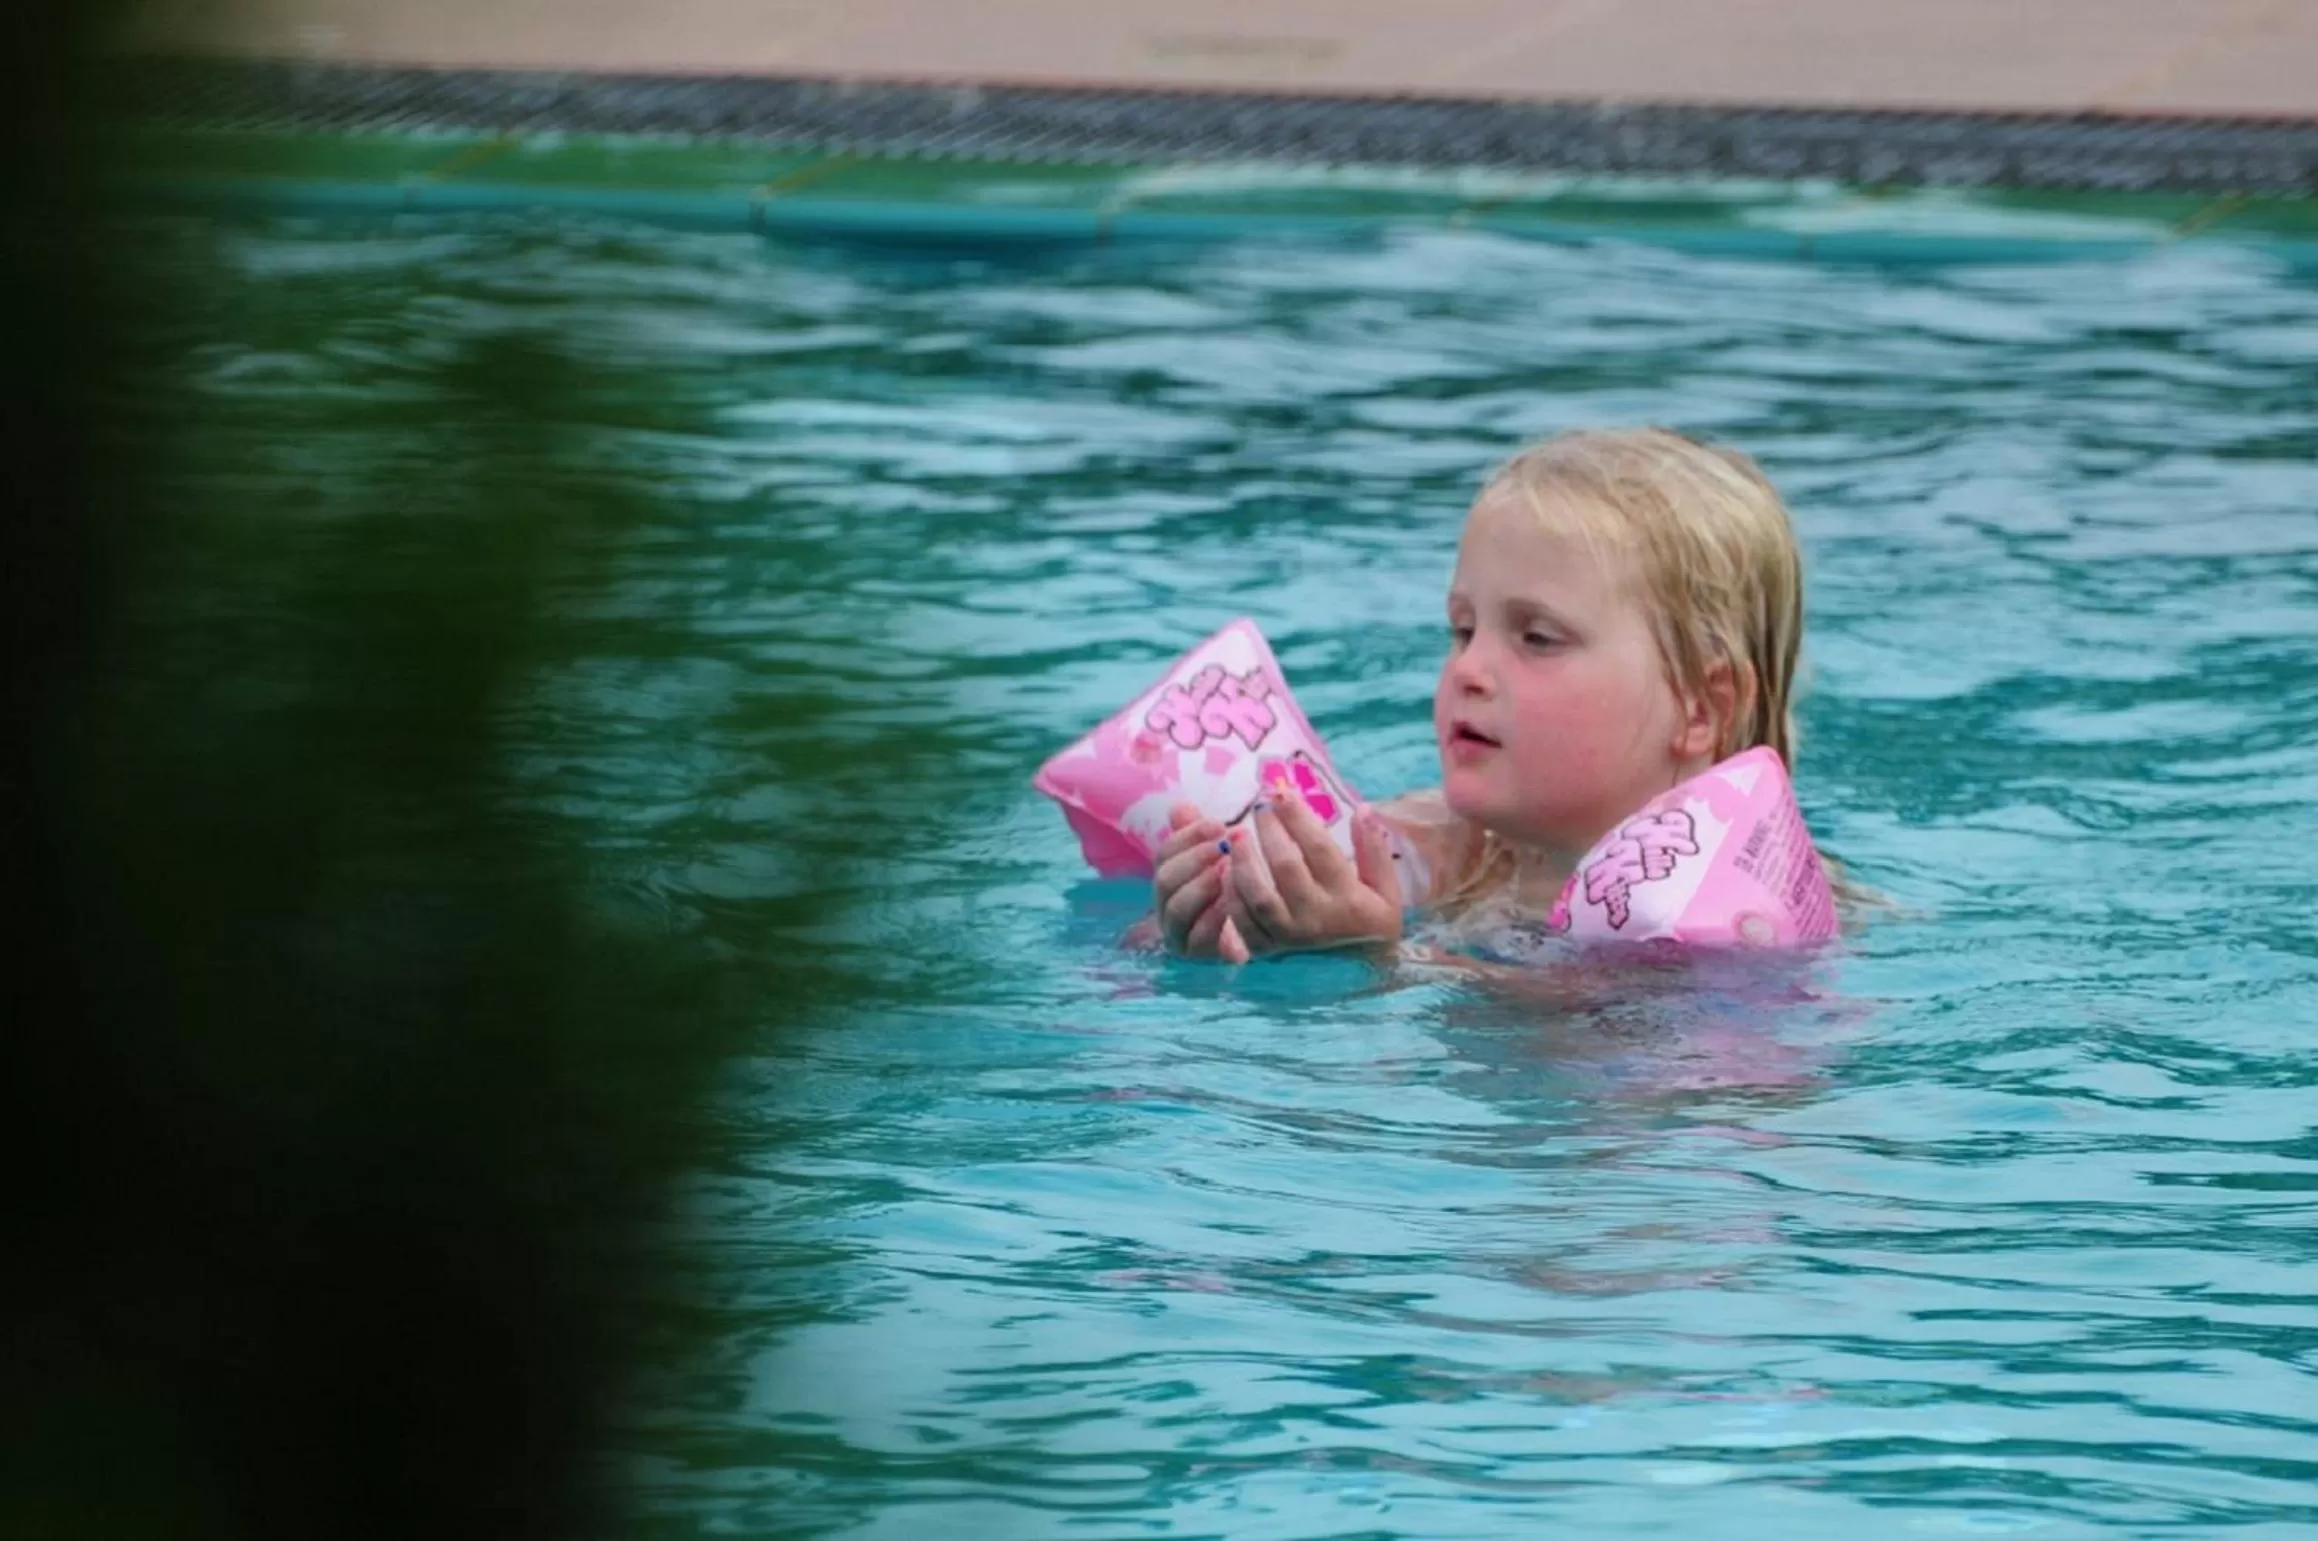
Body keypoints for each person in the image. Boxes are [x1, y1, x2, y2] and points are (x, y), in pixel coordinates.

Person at [1151, 427, 1828, 963]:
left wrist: (1373, 963)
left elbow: (1611, 1057)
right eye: (1463, 628)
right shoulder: (1444, 842)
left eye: (1536, 638)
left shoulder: (1737, 920)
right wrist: (1216, 920)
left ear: (1700, 707)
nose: (1468, 668)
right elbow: (1145, 951)